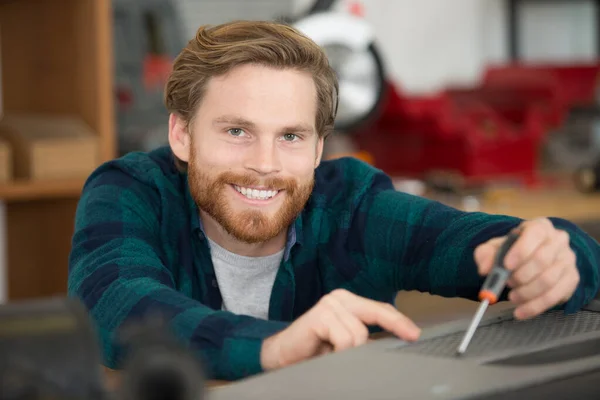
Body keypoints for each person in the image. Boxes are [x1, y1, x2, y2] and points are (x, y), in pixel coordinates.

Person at [68, 19, 600, 381]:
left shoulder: (352, 204)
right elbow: (112, 303)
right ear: (181, 134)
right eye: (236, 131)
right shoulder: (130, 190)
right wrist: (274, 348)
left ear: (320, 146)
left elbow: (478, 243)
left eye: (292, 137)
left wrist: (560, 253)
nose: (266, 163)